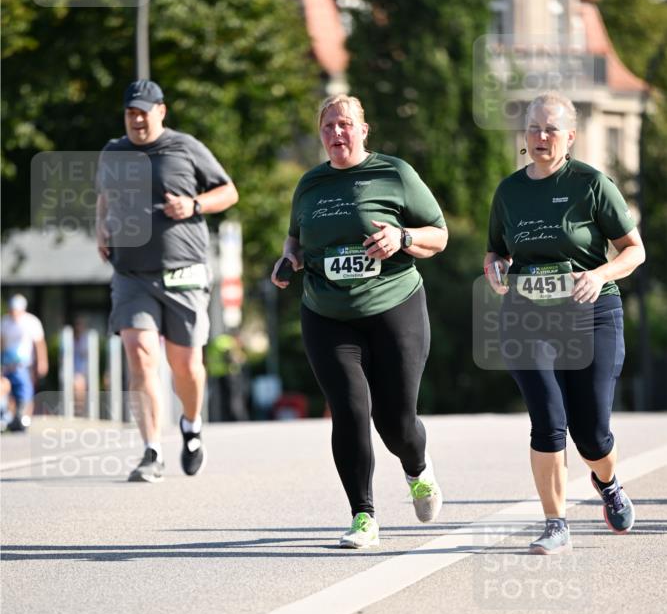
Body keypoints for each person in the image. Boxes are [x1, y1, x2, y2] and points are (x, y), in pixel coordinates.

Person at [272, 94, 448, 549]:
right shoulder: (310, 184)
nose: (336, 132)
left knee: (396, 422)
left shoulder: (394, 173)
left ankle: (418, 470)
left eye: (345, 124)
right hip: (327, 314)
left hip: (395, 306)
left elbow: (439, 235)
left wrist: (402, 237)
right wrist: (289, 259)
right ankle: (363, 515)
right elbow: (295, 239)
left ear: (363, 130)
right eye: (328, 126)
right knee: (349, 411)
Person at [484, 91, 645, 554]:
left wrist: (599, 274)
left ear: (570, 136)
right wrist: (495, 268)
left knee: (591, 434)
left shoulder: (591, 184)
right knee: (548, 421)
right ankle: (555, 524)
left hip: (591, 315)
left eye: (551, 129)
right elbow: (496, 252)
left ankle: (608, 482)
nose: (541, 136)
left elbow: (634, 250)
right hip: (526, 317)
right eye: (534, 128)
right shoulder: (509, 192)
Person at [96, 80, 239, 482]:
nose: (137, 120)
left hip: (184, 272)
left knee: (186, 366)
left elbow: (229, 192)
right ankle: (151, 451)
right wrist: (100, 227)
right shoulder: (113, 152)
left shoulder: (185, 147)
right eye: (130, 113)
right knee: (140, 352)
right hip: (131, 274)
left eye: (143, 112)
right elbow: (104, 195)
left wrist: (194, 204)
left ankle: (191, 426)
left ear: (161, 111)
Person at [0, 294, 48, 432]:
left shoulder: (31, 322)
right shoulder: (5, 322)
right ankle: (9, 418)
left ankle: (24, 418)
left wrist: (42, 362)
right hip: (7, 364)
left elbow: (39, 344)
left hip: (24, 365)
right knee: (8, 390)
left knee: (25, 391)